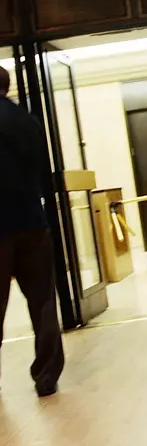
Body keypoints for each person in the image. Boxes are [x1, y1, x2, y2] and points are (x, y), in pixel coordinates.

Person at [0, 66, 65, 398]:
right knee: (42, 303)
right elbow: (43, 169)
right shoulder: (28, 122)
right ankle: (46, 375)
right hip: (32, 222)